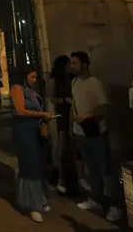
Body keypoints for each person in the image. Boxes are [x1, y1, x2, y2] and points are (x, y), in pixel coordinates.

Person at [70, 51, 122, 222]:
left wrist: (87, 116)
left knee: (106, 168)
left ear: (84, 65)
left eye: (75, 63)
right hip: (80, 132)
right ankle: (96, 198)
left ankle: (116, 205)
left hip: (96, 131)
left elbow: (103, 107)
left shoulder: (95, 83)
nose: (72, 67)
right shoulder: (74, 83)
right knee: (91, 168)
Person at [11, 65, 54, 223]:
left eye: (36, 78)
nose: (34, 81)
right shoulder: (17, 88)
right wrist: (42, 114)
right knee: (29, 166)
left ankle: (40, 199)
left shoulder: (33, 92)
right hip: (24, 131)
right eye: (32, 77)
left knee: (38, 165)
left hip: (35, 130)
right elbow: (20, 110)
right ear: (24, 76)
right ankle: (32, 205)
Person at [47, 55, 73, 194]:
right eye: (69, 64)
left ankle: (70, 177)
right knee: (61, 147)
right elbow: (51, 98)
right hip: (61, 115)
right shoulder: (54, 80)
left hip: (73, 114)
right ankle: (60, 178)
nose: (71, 67)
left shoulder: (72, 79)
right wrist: (64, 100)